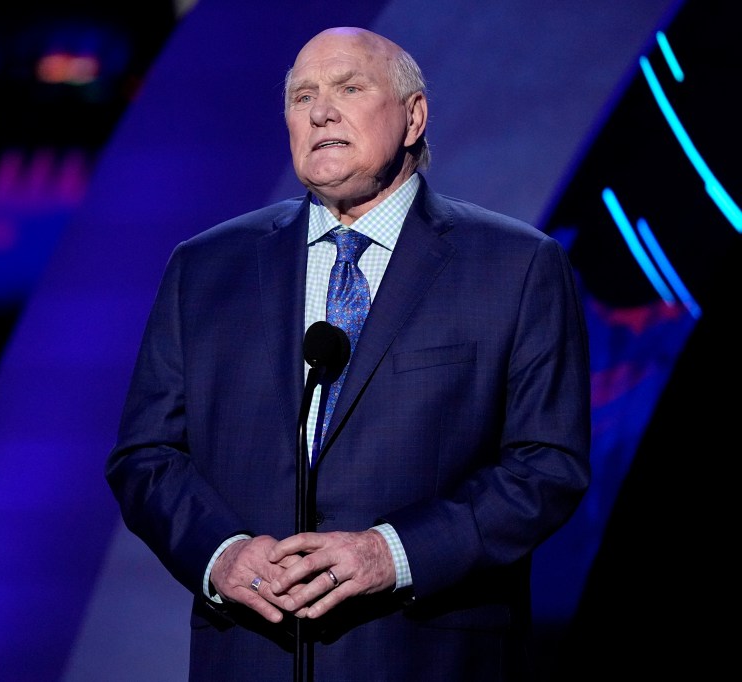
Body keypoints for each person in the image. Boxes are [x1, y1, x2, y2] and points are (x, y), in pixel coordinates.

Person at [105, 26, 590, 682]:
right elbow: (147, 455)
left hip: (423, 658)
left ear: (413, 117)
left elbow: (546, 466)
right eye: (302, 97)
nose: (320, 112)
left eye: (349, 88)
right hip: (252, 655)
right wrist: (221, 555)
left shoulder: (515, 266)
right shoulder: (206, 268)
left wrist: (392, 554)